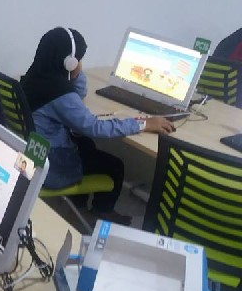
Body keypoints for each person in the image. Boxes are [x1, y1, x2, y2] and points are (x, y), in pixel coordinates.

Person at [20, 27, 174, 225]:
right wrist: (144, 124)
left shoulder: (35, 77)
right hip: (53, 166)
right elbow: (94, 127)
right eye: (78, 59)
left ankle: (79, 204)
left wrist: (75, 74)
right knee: (114, 165)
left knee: (86, 145)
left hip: (33, 152)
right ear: (69, 62)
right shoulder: (60, 94)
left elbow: (79, 94)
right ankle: (102, 212)